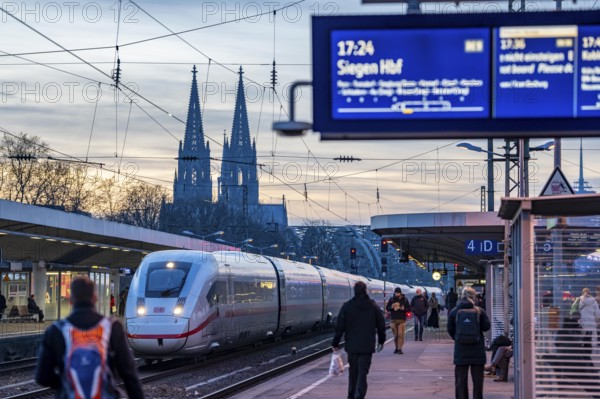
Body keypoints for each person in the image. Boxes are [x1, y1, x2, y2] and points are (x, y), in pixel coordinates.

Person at [35, 276, 144, 399]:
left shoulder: (56, 330)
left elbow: (42, 376)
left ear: (71, 300)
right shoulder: (112, 327)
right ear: (95, 298)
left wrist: (67, 383)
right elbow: (129, 374)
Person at [332, 281, 386, 399]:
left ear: (354, 291)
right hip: (367, 346)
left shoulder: (347, 306)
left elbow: (339, 327)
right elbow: (381, 325)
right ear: (366, 291)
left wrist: (335, 343)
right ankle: (359, 396)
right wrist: (381, 341)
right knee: (362, 374)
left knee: (353, 372)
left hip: (352, 346)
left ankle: (351, 395)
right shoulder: (373, 306)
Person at [447, 286, 491, 399]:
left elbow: (450, 329)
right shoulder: (480, 311)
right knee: (478, 383)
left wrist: (458, 338)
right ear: (474, 297)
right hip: (477, 351)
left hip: (461, 351)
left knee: (460, 382)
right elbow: (487, 327)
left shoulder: (454, 311)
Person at [386, 287, 411, 354]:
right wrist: (392, 307)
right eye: (396, 293)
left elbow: (409, 308)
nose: (397, 294)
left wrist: (404, 308)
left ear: (400, 293)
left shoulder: (405, 299)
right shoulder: (392, 299)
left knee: (400, 334)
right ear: (394, 293)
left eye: (398, 293)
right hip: (393, 320)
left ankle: (400, 348)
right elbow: (387, 308)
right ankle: (396, 347)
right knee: (396, 335)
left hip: (402, 320)